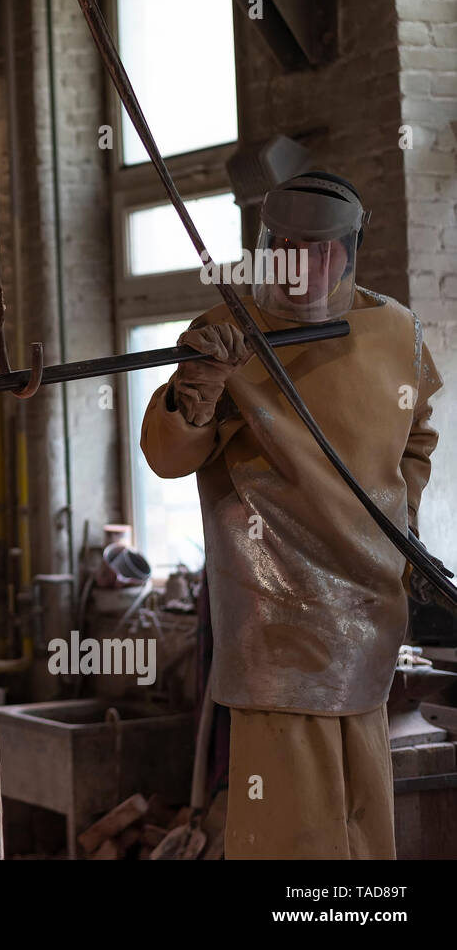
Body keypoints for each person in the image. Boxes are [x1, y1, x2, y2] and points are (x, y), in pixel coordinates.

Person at [140, 172, 442, 859]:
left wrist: (405, 525)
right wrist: (192, 397)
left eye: (325, 249)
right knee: (287, 831)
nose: (308, 265)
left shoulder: (393, 330)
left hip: (367, 611)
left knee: (362, 825)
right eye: (291, 247)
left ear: (350, 251)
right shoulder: (223, 334)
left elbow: (416, 437)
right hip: (272, 619)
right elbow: (168, 457)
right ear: (266, 245)